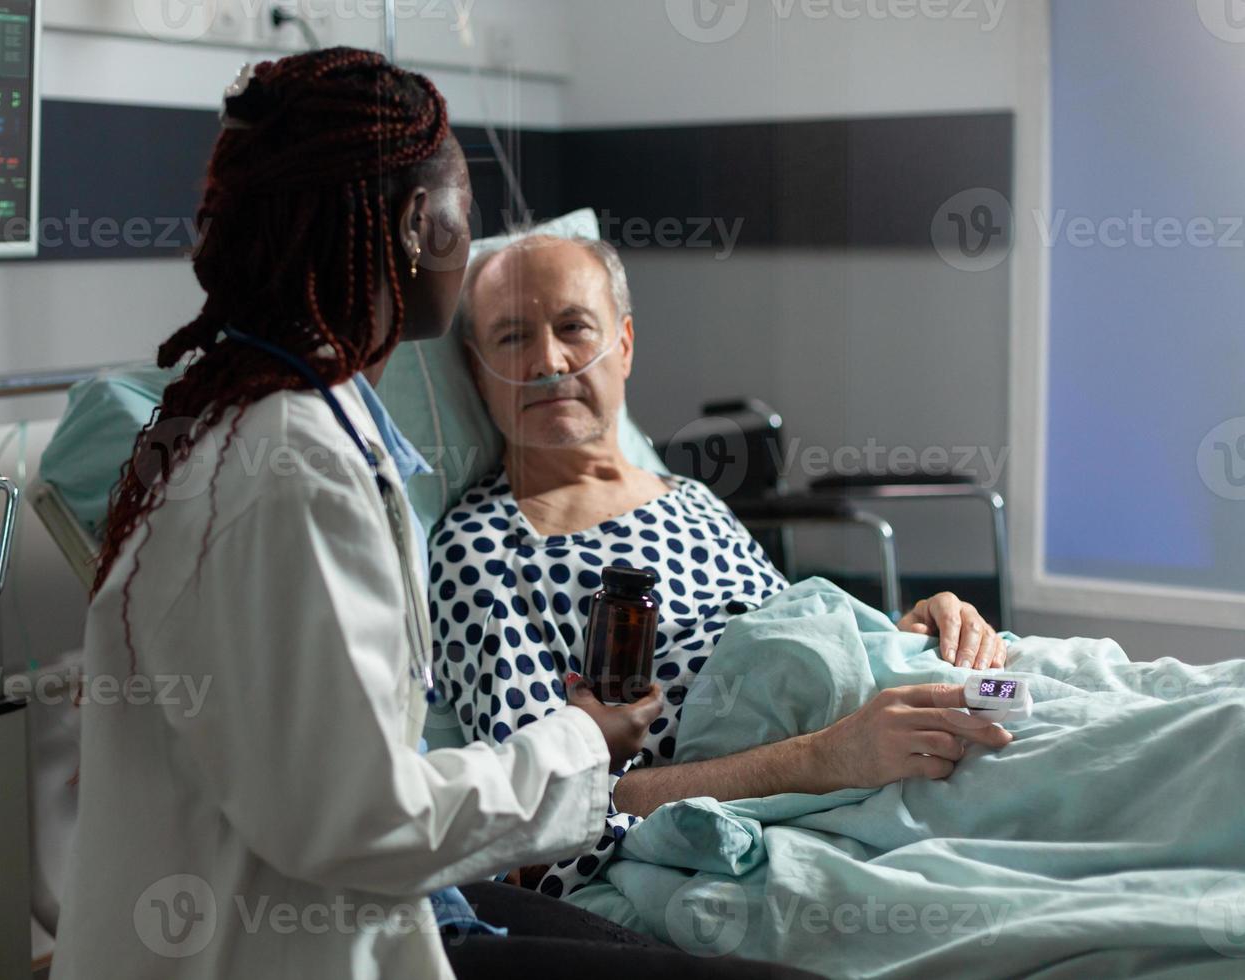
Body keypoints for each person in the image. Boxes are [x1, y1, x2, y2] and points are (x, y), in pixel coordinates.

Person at [50, 50, 816, 980]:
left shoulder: (270, 426)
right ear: (419, 223)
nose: (546, 360)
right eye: (465, 215)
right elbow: (365, 818)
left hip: (371, 901)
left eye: (575, 330)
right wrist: (579, 740)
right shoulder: (297, 472)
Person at [432, 234, 1012, 898]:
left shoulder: (692, 499)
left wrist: (903, 629)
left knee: (1114, 710)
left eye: (572, 327)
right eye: (511, 338)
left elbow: (797, 642)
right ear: (479, 374)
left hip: (909, 704)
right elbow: (536, 825)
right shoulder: (484, 551)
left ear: (622, 346)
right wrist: (831, 757)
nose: (548, 361)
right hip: (843, 783)